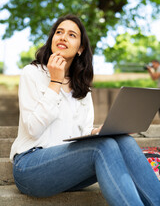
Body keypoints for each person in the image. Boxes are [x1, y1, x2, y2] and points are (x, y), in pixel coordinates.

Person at [10, 14, 160, 206]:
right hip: (31, 167)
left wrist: (99, 132)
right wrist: (55, 81)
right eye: (59, 32)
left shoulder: (82, 88)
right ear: (52, 40)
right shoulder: (32, 73)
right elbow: (33, 129)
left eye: (72, 35)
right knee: (102, 147)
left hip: (71, 168)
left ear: (80, 49)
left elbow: (81, 134)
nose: (63, 37)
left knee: (121, 140)